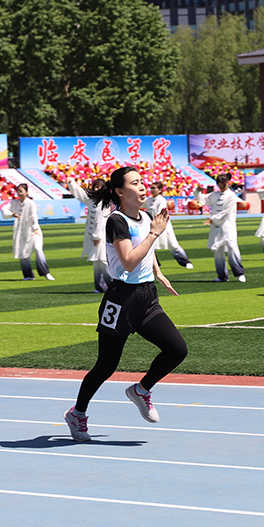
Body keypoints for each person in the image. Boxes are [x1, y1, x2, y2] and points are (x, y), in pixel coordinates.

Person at [64, 167, 187, 442]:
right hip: (121, 300)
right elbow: (129, 261)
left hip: (147, 297)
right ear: (120, 191)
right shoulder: (116, 221)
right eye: (135, 183)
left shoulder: (145, 217)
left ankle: (141, 390)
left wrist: (158, 272)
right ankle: (77, 413)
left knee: (177, 349)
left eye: (142, 182)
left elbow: (147, 251)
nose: (142, 187)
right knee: (106, 365)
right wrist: (154, 234)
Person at [196, 174, 246, 282]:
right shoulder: (215, 194)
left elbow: (227, 212)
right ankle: (222, 276)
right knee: (218, 251)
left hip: (228, 227)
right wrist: (198, 191)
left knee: (232, 247)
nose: (220, 186)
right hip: (216, 228)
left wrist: (213, 219)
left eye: (222, 183)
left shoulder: (231, 196)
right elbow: (202, 199)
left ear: (227, 182)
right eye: (219, 184)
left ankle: (239, 273)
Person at [2, 183, 54, 281]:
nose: (19, 193)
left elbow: (33, 216)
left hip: (33, 230)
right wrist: (11, 214)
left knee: (38, 249)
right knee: (23, 252)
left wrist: (35, 228)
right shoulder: (14, 203)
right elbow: (4, 209)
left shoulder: (31, 203)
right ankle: (28, 275)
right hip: (21, 231)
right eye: (18, 191)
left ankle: (45, 273)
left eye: (21, 191)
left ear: (26, 192)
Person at [67, 177, 112, 292]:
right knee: (96, 262)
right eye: (95, 187)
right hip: (92, 236)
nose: (97, 189)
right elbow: (80, 194)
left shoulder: (105, 201)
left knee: (103, 260)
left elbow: (101, 220)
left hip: (101, 236)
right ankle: (100, 286)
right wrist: (72, 183)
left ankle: (112, 286)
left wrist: (97, 236)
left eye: (99, 187)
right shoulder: (92, 200)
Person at [143, 181, 194, 269]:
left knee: (173, 245)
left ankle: (185, 262)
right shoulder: (149, 200)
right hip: (152, 226)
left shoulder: (162, 200)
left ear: (160, 190)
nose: (152, 190)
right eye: (151, 188)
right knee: (150, 245)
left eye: (154, 188)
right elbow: (139, 204)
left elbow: (160, 211)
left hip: (164, 226)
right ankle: (156, 264)